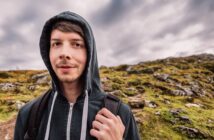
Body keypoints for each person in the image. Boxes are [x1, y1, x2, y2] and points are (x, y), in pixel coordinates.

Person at [14, 11, 140, 140]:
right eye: (56, 44)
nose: (64, 53)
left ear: (89, 52)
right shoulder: (29, 114)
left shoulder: (119, 113)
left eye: (76, 44)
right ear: (48, 52)